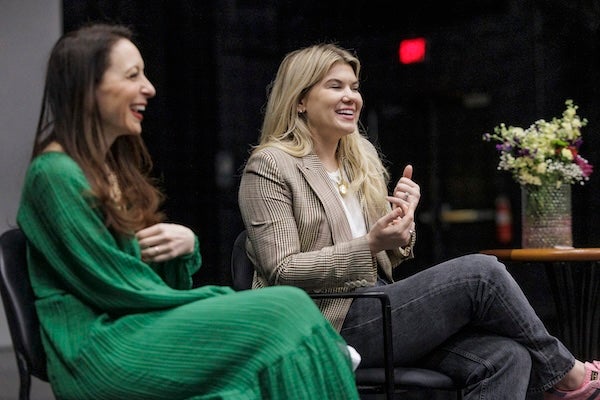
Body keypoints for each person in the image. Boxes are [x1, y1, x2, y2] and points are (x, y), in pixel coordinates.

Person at [238, 43, 600, 400]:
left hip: (375, 305)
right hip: (325, 322)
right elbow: (282, 268)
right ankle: (568, 373)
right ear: (300, 100)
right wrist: (371, 243)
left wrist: (401, 226)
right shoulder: (272, 165)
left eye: (354, 87)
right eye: (335, 86)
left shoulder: (358, 161)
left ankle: (561, 374)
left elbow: (383, 256)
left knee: (506, 357)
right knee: (482, 274)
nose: (351, 97)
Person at [16, 25, 360, 400]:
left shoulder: (109, 169)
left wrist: (183, 246)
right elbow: (116, 286)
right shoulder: (54, 174)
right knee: (286, 308)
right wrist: (217, 299)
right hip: (98, 347)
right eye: (133, 76)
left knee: (271, 352)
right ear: (88, 87)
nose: (149, 87)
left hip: (134, 324)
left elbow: (138, 275)